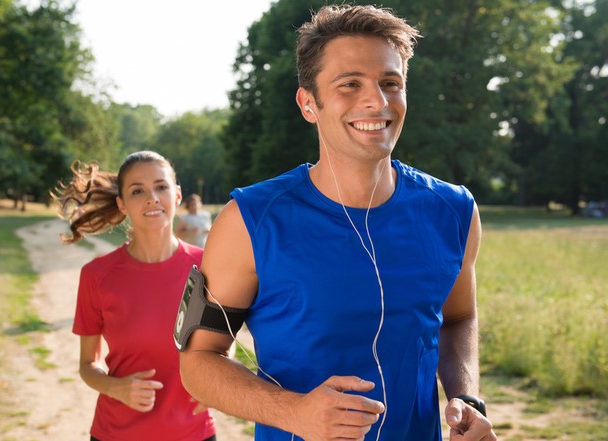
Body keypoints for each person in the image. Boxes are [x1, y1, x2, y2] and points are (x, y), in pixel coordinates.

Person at [179, 5, 496, 441]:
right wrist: (293, 412)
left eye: (391, 83)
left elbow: (458, 317)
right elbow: (198, 362)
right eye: (350, 84)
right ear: (308, 103)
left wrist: (467, 397)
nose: (377, 101)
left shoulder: (454, 210)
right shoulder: (249, 220)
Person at [52, 151, 216, 441]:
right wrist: (116, 388)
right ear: (122, 204)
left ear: (177, 195)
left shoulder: (207, 267)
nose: (152, 198)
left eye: (161, 186)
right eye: (137, 191)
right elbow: (87, 365)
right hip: (116, 432)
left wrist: (215, 385)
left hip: (194, 432)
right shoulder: (96, 275)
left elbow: (222, 344)